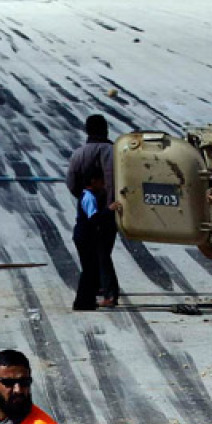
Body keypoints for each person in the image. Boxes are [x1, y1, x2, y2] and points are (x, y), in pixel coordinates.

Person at [65, 114, 120, 307]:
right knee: (104, 251)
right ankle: (108, 291)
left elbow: (72, 184)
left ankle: (97, 287)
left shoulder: (78, 154)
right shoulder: (115, 153)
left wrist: (85, 199)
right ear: (105, 129)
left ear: (87, 130)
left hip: (88, 217)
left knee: (93, 255)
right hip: (111, 211)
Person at [72, 170, 109, 311]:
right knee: (89, 270)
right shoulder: (89, 197)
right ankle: (82, 301)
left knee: (91, 269)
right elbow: (94, 218)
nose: (103, 184)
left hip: (85, 235)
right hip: (85, 235)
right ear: (93, 181)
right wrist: (109, 211)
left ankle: (88, 300)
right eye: (101, 181)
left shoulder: (88, 196)